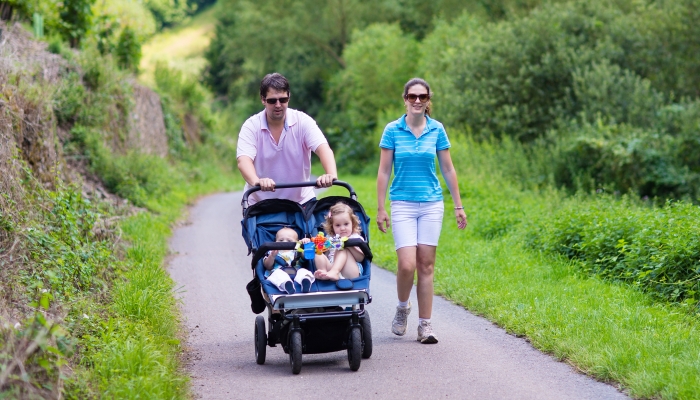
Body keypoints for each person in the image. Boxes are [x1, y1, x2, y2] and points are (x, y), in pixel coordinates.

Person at [376, 78, 468, 344]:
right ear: (404, 98)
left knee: (426, 265)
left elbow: (448, 169)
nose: (418, 101)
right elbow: (383, 171)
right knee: (406, 265)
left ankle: (425, 326)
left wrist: (458, 205)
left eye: (423, 97)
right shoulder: (392, 130)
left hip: (431, 204)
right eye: (413, 96)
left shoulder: (437, 130)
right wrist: (381, 208)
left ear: (429, 100)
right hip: (402, 203)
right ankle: (403, 307)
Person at [237, 72, 338, 206]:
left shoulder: (303, 121)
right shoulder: (251, 126)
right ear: (263, 99)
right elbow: (243, 160)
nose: (278, 105)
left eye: (283, 99)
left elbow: (323, 148)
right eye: (272, 101)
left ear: (289, 97)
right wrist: (257, 181)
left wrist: (330, 174)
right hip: (260, 204)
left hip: (301, 202)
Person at [313, 202, 365, 281]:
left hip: (350, 270)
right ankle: (323, 273)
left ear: (353, 224)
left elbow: (360, 258)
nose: (342, 228)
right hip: (330, 268)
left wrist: (348, 245)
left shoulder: (356, 238)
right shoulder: (330, 238)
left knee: (341, 247)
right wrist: (321, 247)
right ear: (332, 226)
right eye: (338, 225)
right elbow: (327, 255)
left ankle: (335, 272)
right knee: (318, 253)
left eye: (346, 224)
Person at [263, 227, 315, 293]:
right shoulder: (272, 251)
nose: (284, 242)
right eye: (281, 240)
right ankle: (286, 284)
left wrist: (304, 244)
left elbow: (305, 257)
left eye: (289, 241)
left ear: (297, 242)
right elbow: (267, 266)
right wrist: (272, 256)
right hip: (279, 271)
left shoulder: (297, 251)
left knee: (304, 271)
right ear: (275, 241)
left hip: (297, 272)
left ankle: (305, 281)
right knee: (277, 275)